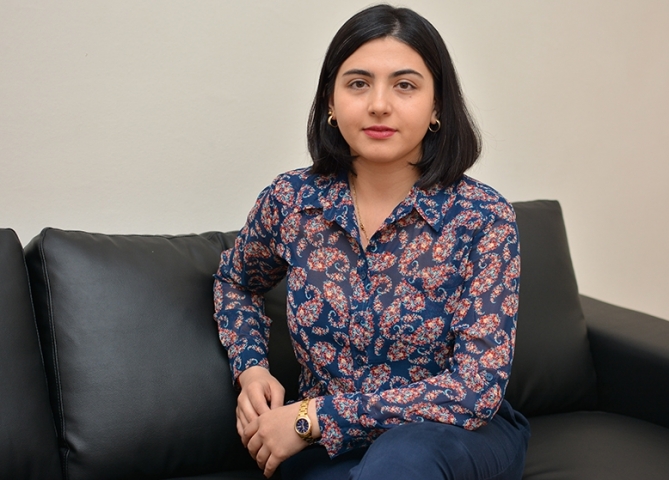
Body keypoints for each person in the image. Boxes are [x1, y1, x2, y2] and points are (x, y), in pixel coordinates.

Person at [213, 4, 530, 479]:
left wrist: (314, 418)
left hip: (451, 436)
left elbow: (474, 389)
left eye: (405, 85)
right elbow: (235, 282)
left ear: (437, 105)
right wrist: (251, 368)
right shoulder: (292, 202)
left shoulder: (484, 218)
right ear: (330, 101)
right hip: (325, 447)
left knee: (404, 460)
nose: (379, 104)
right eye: (358, 83)